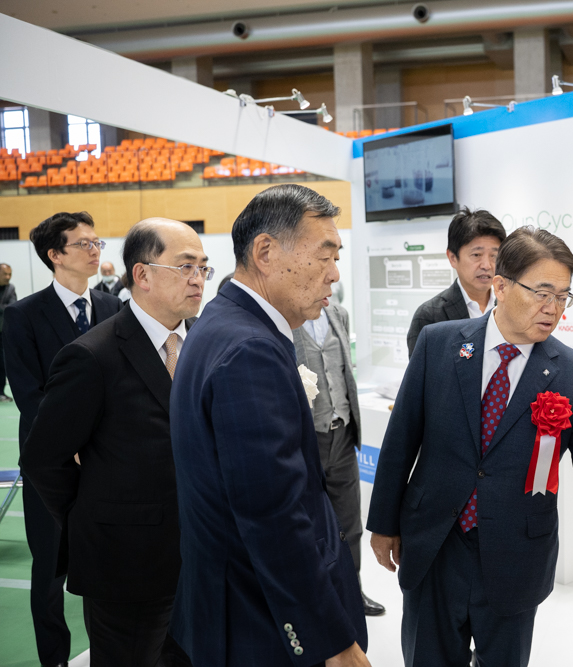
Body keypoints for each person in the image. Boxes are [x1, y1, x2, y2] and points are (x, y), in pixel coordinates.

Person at [368, 226, 573, 666]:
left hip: (515, 554)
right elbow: (401, 440)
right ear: (501, 285)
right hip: (435, 544)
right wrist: (382, 524)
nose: (554, 309)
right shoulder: (439, 344)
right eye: (542, 293)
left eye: (564, 297)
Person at [170, 184, 369, 666]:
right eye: (325, 255)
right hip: (260, 620)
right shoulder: (250, 350)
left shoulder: (221, 323)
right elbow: (273, 516)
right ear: (265, 252)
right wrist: (331, 641)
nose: (334, 273)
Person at [20, 219, 207, 667]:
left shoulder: (203, 343)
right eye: (185, 267)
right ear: (142, 275)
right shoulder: (92, 355)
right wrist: (93, 515)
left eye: (203, 268)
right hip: (125, 565)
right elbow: (44, 458)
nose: (198, 279)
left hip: (199, 559)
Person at [3, 211, 123, 667]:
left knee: (108, 562)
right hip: (50, 461)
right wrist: (67, 444)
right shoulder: (23, 315)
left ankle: (108, 651)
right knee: (50, 565)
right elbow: (28, 392)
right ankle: (53, 657)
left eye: (97, 242)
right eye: (83, 244)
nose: (94, 250)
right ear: (55, 255)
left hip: (107, 458)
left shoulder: (113, 308)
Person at [295, 303, 386, 618]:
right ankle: (318, 597)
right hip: (308, 437)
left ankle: (352, 591)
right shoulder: (287, 314)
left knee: (349, 522)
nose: (330, 279)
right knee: (309, 523)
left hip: (343, 433)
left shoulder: (338, 314)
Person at [406, 207, 506, 357]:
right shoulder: (429, 316)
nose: (487, 265)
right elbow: (422, 371)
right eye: (476, 255)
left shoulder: (508, 306)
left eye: (494, 256)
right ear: (452, 258)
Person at [0, 262, 17, 402]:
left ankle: (1, 392)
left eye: (9, 274)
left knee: (2, 363)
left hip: (2, 332)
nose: (8, 277)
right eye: (5, 274)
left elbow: (11, 307)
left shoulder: (10, 288)